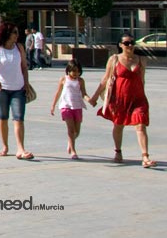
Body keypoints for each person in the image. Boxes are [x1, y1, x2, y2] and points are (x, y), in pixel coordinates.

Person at [88, 36, 156, 168]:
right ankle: (118, 151)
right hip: (119, 100)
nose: (129, 45)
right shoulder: (114, 59)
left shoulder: (141, 60)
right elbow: (105, 79)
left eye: (132, 43)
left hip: (138, 99)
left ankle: (145, 156)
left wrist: (143, 95)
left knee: (140, 125)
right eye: (126, 43)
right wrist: (95, 97)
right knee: (118, 126)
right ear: (120, 44)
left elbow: (142, 79)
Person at [0, 22, 32, 159]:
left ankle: (21, 149)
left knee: (19, 117)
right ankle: (5, 146)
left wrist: (26, 83)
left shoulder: (19, 48)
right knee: (3, 117)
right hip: (1, 89)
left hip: (18, 88)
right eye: (15, 32)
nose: (17, 35)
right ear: (6, 33)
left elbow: (24, 67)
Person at [49, 60, 90, 159]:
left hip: (77, 107)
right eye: (74, 71)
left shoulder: (80, 81)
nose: (76, 73)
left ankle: (70, 142)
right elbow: (58, 93)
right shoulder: (63, 79)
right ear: (68, 70)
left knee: (77, 131)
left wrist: (90, 100)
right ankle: (73, 151)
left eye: (78, 71)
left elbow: (84, 93)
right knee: (71, 130)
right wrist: (53, 105)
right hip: (66, 107)